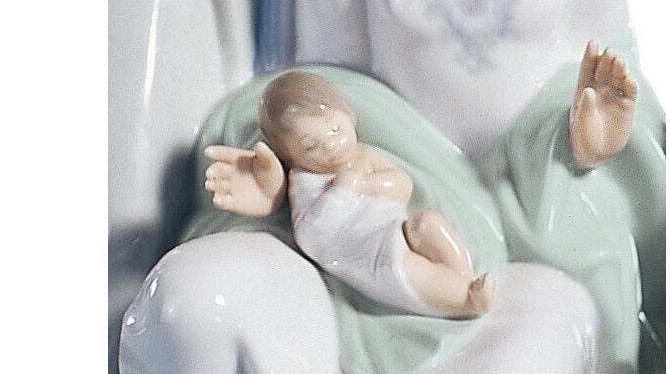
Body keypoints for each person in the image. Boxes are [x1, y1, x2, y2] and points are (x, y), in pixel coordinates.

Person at [205, 71, 496, 318]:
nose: (331, 146)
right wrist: (341, 192)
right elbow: (311, 237)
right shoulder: (305, 183)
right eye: (311, 146)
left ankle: (462, 276)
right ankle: (465, 301)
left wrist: (369, 185)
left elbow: (402, 185)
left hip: (392, 226)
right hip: (368, 253)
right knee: (405, 268)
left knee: (428, 223)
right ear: (288, 155)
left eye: (335, 129)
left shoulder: (363, 157)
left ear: (349, 117)